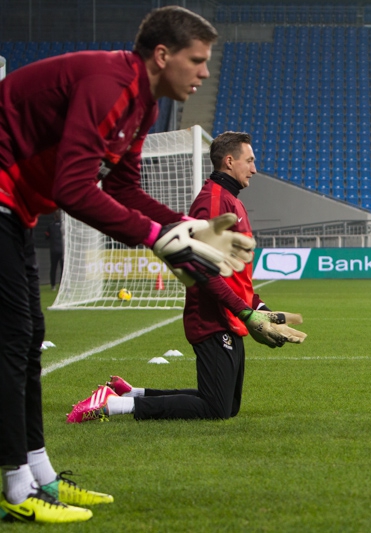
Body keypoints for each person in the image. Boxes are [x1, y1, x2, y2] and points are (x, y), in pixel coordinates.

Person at [0, 7, 255, 524]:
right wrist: (161, 236)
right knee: (11, 343)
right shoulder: (109, 84)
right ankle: (14, 487)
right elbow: (74, 189)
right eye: (198, 60)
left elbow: (121, 190)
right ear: (162, 56)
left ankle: (39, 478)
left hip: (16, 209)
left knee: (26, 341)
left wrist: (190, 228)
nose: (205, 73)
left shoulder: (143, 106)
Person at [67, 132, 305, 424]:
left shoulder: (230, 200)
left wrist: (262, 310)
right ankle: (111, 406)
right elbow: (203, 269)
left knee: (226, 405)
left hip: (230, 315)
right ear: (229, 162)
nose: (254, 169)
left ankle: (132, 394)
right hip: (213, 317)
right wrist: (245, 312)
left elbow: (234, 273)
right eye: (250, 161)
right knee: (215, 408)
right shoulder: (215, 202)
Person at [44, 211, 63, 291]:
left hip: (54, 250)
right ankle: (62, 285)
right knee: (63, 268)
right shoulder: (64, 226)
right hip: (62, 250)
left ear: (55, 216)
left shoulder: (50, 226)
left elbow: (46, 236)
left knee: (53, 268)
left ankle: (53, 285)